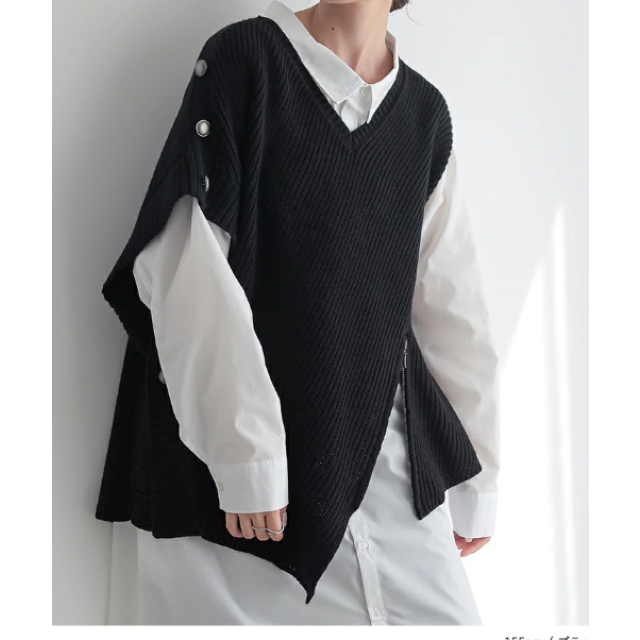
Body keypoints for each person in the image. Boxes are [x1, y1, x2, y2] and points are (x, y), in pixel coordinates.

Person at [95, 0, 501, 625]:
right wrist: (245, 453)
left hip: (383, 467)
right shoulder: (245, 61)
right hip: (238, 502)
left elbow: (453, 307)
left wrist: (476, 476)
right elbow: (184, 265)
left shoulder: (423, 115)